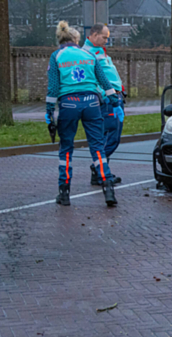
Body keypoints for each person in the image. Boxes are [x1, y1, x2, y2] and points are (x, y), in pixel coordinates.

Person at [45, 21, 120, 207]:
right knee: (97, 147)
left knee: (66, 149)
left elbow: (53, 87)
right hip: (92, 103)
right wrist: (114, 101)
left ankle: (64, 192)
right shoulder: (88, 54)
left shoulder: (57, 56)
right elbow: (103, 81)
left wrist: (49, 112)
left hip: (69, 104)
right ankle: (108, 188)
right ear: (76, 39)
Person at [82, 23, 125, 186]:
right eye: (104, 37)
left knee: (111, 136)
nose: (107, 41)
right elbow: (90, 79)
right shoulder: (87, 54)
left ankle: (100, 171)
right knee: (112, 137)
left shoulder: (99, 52)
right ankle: (98, 169)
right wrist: (104, 95)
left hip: (115, 97)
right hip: (108, 100)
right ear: (93, 35)